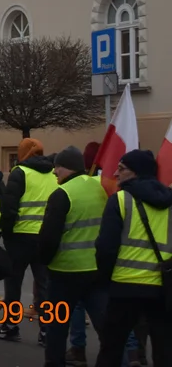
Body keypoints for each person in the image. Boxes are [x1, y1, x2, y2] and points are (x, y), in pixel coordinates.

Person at [93, 149, 172, 367]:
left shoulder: (120, 200)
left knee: (111, 348)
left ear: (135, 173)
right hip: (162, 288)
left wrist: (104, 279)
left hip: (124, 286)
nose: (116, 174)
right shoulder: (169, 201)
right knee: (165, 350)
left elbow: (106, 248)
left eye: (121, 169)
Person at [36, 145, 109, 367]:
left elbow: (49, 237)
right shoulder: (100, 187)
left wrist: (44, 262)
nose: (55, 172)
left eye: (57, 167)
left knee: (56, 328)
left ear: (66, 168)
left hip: (64, 273)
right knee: (106, 328)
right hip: (96, 271)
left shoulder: (62, 194)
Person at [0, 137, 56, 344]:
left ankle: (11, 326)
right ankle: (47, 331)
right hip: (44, 235)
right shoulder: (53, 173)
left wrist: (6, 232)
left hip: (20, 237)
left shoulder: (19, 173)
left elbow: (9, 207)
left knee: (13, 284)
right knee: (44, 284)